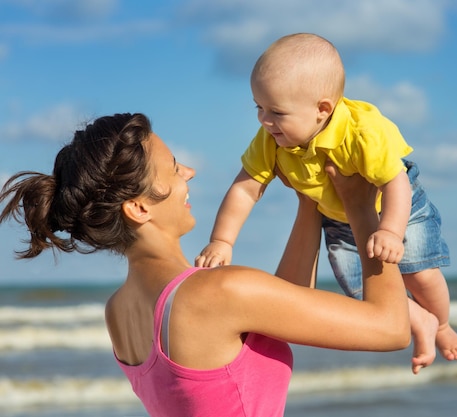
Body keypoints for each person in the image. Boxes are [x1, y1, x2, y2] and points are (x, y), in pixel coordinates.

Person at [0, 112, 420, 417]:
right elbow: (390, 328)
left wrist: (310, 201)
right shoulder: (215, 293)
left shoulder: (120, 309)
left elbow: (282, 305)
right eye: (173, 169)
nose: (191, 172)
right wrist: (362, 210)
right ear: (139, 208)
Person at [196, 33, 457, 369]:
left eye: (276, 112)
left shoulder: (362, 132)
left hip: (397, 208)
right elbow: (245, 189)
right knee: (359, 290)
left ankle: (440, 323)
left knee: (421, 275)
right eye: (259, 107)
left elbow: (395, 182)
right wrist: (222, 241)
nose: (264, 120)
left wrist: (391, 232)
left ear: (322, 110)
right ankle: (421, 321)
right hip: (338, 220)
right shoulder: (270, 139)